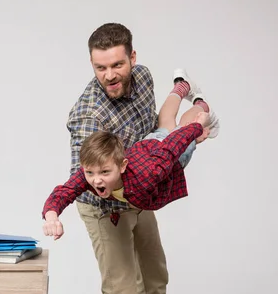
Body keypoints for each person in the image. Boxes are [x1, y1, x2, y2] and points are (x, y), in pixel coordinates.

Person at [43, 22, 219, 294]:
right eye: (100, 67)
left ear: (132, 58)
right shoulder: (88, 116)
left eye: (117, 65)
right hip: (104, 206)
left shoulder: (145, 79)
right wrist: (52, 213)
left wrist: (180, 138)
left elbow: (154, 129)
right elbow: (84, 179)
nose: (109, 75)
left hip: (138, 191)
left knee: (154, 278)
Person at [42, 74, 216, 230]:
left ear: (122, 165)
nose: (96, 180)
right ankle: (181, 87)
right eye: (90, 173)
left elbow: (171, 148)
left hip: (167, 159)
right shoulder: (91, 171)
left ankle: (202, 107)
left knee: (183, 130)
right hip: (148, 145)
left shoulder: (148, 174)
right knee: (165, 122)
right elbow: (65, 191)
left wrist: (196, 128)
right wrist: (52, 216)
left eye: (105, 172)